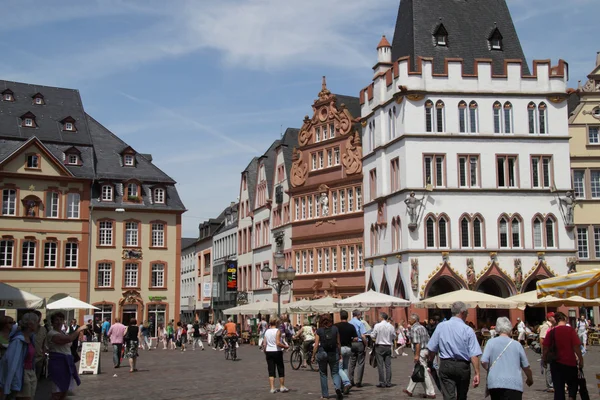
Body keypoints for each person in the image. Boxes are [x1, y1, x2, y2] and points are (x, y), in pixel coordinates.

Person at [427, 301, 482, 400]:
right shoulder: (468, 330)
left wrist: (430, 362)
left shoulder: (441, 326)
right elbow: (474, 354)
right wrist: (477, 373)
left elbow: (431, 349)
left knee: (448, 396)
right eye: (467, 313)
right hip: (463, 366)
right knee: (462, 396)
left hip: (446, 364)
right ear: (463, 312)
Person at [481, 317, 534, 400]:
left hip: (495, 383)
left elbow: (483, 361)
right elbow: (526, 366)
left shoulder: (490, 342)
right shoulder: (517, 345)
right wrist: (530, 378)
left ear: (497, 328)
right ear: (510, 328)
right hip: (513, 384)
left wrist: (490, 369)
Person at [542, 311, 582, 400]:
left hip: (556, 363)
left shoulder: (551, 332)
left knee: (559, 389)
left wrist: (544, 359)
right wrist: (581, 359)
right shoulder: (570, 330)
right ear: (564, 319)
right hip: (570, 363)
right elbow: (576, 347)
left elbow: (545, 348)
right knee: (572, 386)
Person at [46, 312, 86, 400]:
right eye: (56, 320)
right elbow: (68, 339)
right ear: (52, 322)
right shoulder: (52, 333)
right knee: (57, 391)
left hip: (66, 363)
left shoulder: (63, 332)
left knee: (64, 390)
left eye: (61, 320)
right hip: (58, 363)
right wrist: (79, 330)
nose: (59, 322)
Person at [0, 312, 39, 400]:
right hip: (22, 373)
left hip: (31, 372)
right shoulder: (18, 340)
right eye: (36, 322)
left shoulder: (31, 337)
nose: (38, 324)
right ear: (30, 324)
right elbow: (11, 362)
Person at [404, 313, 436, 398]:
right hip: (425, 350)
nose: (409, 320)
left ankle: (431, 392)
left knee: (424, 372)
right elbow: (428, 339)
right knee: (417, 370)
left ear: (414, 320)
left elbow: (417, 343)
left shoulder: (415, 328)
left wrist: (417, 355)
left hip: (420, 351)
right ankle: (409, 390)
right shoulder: (422, 327)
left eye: (410, 319)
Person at [312, 314, 343, 400]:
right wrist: (340, 353)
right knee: (335, 373)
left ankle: (325, 395)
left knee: (323, 374)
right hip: (333, 352)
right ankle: (337, 388)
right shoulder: (335, 329)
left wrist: (313, 355)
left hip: (322, 353)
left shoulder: (319, 331)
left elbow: (316, 345)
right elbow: (338, 343)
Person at [262, 317, 289, 394]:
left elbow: (264, 343)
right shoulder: (278, 331)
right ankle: (282, 386)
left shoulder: (267, 331)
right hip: (277, 351)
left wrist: (265, 351)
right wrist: (285, 346)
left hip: (269, 351)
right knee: (280, 368)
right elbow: (278, 342)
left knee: (271, 369)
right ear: (277, 323)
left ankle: (272, 388)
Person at [371, 312, 396, 388]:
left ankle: (382, 382)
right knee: (388, 365)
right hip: (388, 346)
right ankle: (388, 382)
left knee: (380, 365)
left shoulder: (377, 325)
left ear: (381, 317)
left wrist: (373, 336)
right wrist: (388, 339)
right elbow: (394, 336)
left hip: (379, 346)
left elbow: (373, 335)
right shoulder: (391, 326)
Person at [335, 310, 357, 395]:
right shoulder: (351, 326)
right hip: (348, 348)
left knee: (339, 368)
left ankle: (346, 383)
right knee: (345, 367)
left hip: (340, 349)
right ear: (347, 316)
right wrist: (350, 339)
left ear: (340, 316)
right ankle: (344, 387)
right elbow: (355, 338)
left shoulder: (336, 326)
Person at [348, 310, 367, 388]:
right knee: (360, 363)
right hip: (359, 343)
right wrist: (366, 344)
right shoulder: (360, 323)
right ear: (359, 315)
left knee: (352, 363)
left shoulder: (349, 323)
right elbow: (363, 335)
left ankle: (350, 380)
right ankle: (358, 381)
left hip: (351, 343)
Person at [539, 312, 556, 393]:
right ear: (549, 318)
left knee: (552, 367)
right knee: (548, 367)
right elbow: (542, 339)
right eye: (553, 317)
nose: (555, 318)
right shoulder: (546, 326)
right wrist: (543, 351)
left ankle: (553, 384)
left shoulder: (552, 326)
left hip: (552, 350)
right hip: (547, 350)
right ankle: (550, 385)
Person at [32, 310, 47, 381]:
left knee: (36, 379)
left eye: (39, 318)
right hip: (28, 358)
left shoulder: (43, 329)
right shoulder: (27, 329)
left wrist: (43, 354)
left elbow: (44, 343)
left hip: (39, 357)